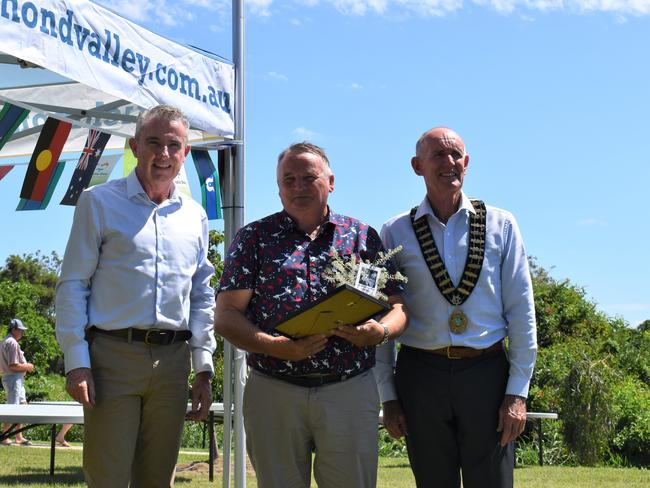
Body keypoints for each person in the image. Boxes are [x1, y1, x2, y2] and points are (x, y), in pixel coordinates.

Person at [215, 142, 408, 488]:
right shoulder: (254, 239)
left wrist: (378, 332)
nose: (298, 186)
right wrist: (275, 347)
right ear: (278, 187)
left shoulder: (361, 237)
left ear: (330, 181)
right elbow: (226, 316)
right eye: (288, 179)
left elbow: (398, 307)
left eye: (309, 177)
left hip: (348, 389)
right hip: (274, 391)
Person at [55, 105, 216, 487]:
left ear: (185, 152)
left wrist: (204, 365)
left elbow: (201, 293)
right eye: (153, 143)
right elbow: (73, 284)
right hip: (112, 358)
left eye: (173, 145)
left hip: (174, 362)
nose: (163, 154)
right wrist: (77, 362)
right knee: (109, 476)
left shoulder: (194, 215)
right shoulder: (98, 202)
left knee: (158, 478)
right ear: (134, 146)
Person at [375, 127, 537, 488]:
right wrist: (388, 396)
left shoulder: (501, 224)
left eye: (456, 156)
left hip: (486, 372)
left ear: (467, 162)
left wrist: (517, 392)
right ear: (417, 166)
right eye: (438, 156)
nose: (449, 163)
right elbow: (384, 315)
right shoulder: (394, 232)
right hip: (421, 374)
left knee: (493, 482)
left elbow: (521, 311)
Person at [1, 318, 34, 446]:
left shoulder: (4, 341)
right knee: (13, 407)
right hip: (13, 379)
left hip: (13, 379)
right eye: (20, 330)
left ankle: (18, 436)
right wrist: (28, 366)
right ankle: (4, 436)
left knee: (21, 406)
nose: (22, 333)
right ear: (14, 329)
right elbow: (13, 365)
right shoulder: (12, 343)